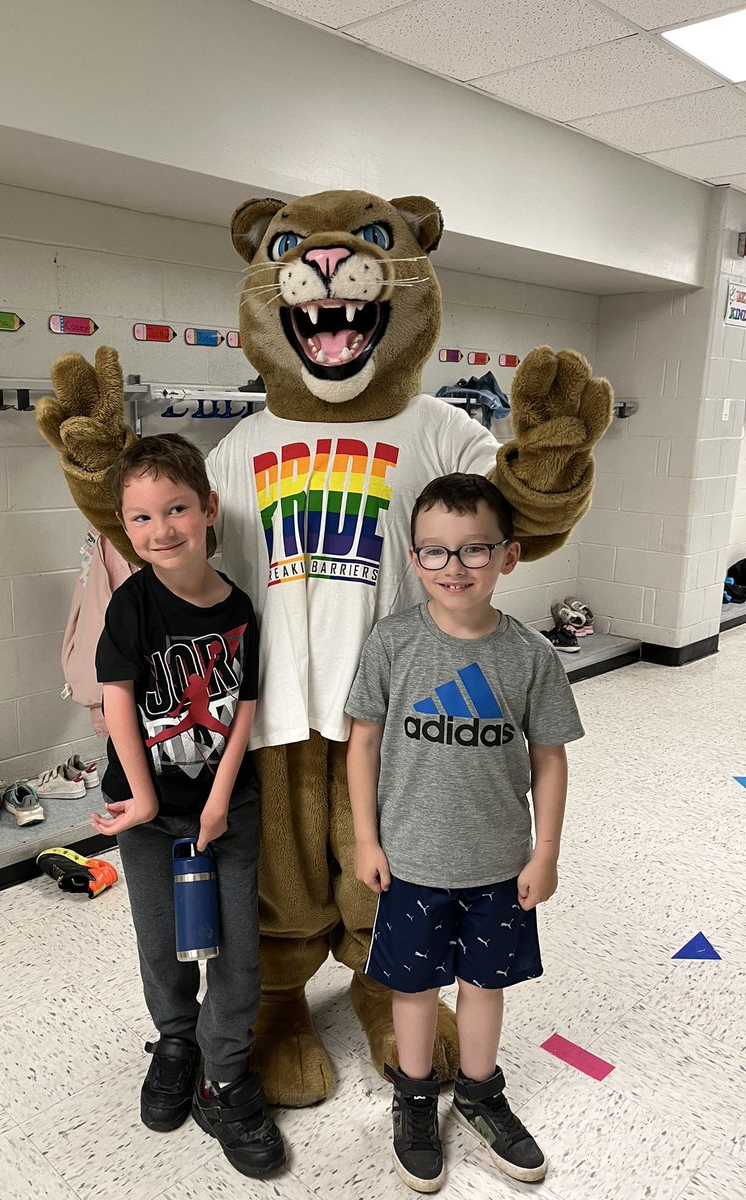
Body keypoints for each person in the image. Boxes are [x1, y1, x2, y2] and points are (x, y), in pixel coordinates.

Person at [345, 473, 584, 1192]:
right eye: (436, 553)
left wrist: (546, 851)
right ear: (414, 559)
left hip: (499, 867)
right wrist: (366, 838)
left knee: (484, 984)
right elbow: (361, 745)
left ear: (508, 556)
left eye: (473, 550)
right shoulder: (392, 645)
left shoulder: (531, 657)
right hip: (412, 861)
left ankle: (480, 1092)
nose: (454, 568)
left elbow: (549, 760)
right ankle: (415, 1098)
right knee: (413, 991)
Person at [92, 433, 285, 1178]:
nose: (160, 530)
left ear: (207, 510)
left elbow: (246, 708)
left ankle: (224, 1073)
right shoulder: (131, 605)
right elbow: (116, 703)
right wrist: (142, 797)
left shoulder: (238, 606)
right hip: (147, 816)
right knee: (162, 943)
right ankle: (176, 1040)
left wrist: (220, 798)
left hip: (226, 809)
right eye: (139, 519)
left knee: (236, 950)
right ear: (122, 527)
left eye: (175, 509)